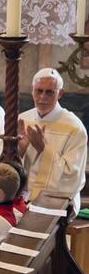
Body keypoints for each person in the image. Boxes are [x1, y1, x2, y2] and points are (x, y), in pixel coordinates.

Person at [19, 68, 88, 211]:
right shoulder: (23, 119)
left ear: (60, 93)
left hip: (57, 200)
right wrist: (19, 150)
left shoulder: (74, 128)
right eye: (39, 91)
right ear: (32, 90)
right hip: (21, 195)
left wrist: (43, 149)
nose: (43, 97)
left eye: (49, 92)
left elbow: (71, 176)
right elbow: (6, 166)